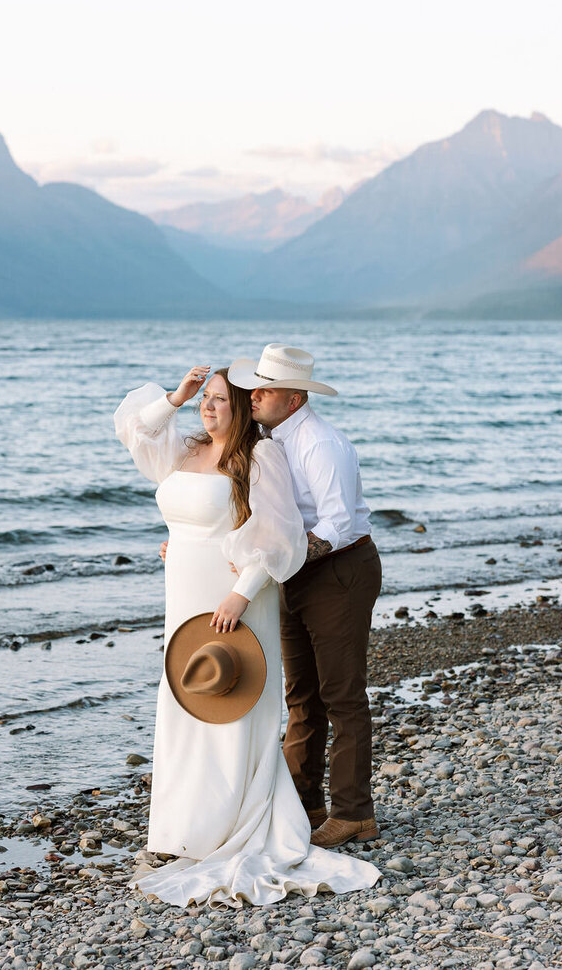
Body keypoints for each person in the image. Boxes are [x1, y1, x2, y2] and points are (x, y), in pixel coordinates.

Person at [115, 366, 380, 908]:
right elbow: (135, 433)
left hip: (237, 590)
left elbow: (279, 534)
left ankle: (310, 813)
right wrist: (175, 397)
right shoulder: (186, 445)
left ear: (247, 407)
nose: (207, 408)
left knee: (239, 700)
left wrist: (242, 589)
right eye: (204, 399)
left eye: (219, 400)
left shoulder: (262, 455)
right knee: (188, 697)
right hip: (184, 591)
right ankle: (182, 826)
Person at [228, 344, 382, 849]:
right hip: (298, 573)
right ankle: (306, 804)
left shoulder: (319, 443)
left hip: (340, 571)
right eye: (254, 386)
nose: (253, 395)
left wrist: (282, 560)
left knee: (342, 696)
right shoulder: (271, 439)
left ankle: (355, 812)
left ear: (293, 399)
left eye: (265, 389)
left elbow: (337, 525)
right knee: (301, 697)